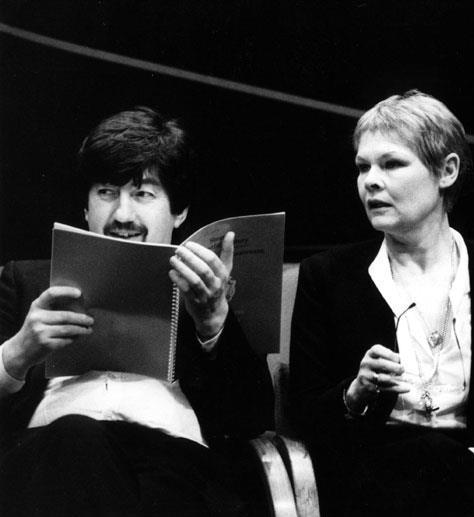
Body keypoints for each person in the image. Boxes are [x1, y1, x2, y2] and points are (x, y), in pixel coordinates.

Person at [289, 90, 474, 517]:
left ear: (447, 171)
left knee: (445, 463)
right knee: (427, 457)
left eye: (392, 164)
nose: (371, 181)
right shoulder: (326, 277)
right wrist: (355, 393)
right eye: (363, 167)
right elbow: (305, 415)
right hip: (372, 484)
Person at [0, 107, 274, 517]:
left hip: (173, 469)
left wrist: (214, 323)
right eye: (106, 192)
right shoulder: (26, 280)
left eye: (143, 194)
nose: (123, 215)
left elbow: (252, 420)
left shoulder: (207, 289)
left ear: (179, 211)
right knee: (77, 438)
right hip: (51, 459)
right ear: (86, 207)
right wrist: (17, 353)